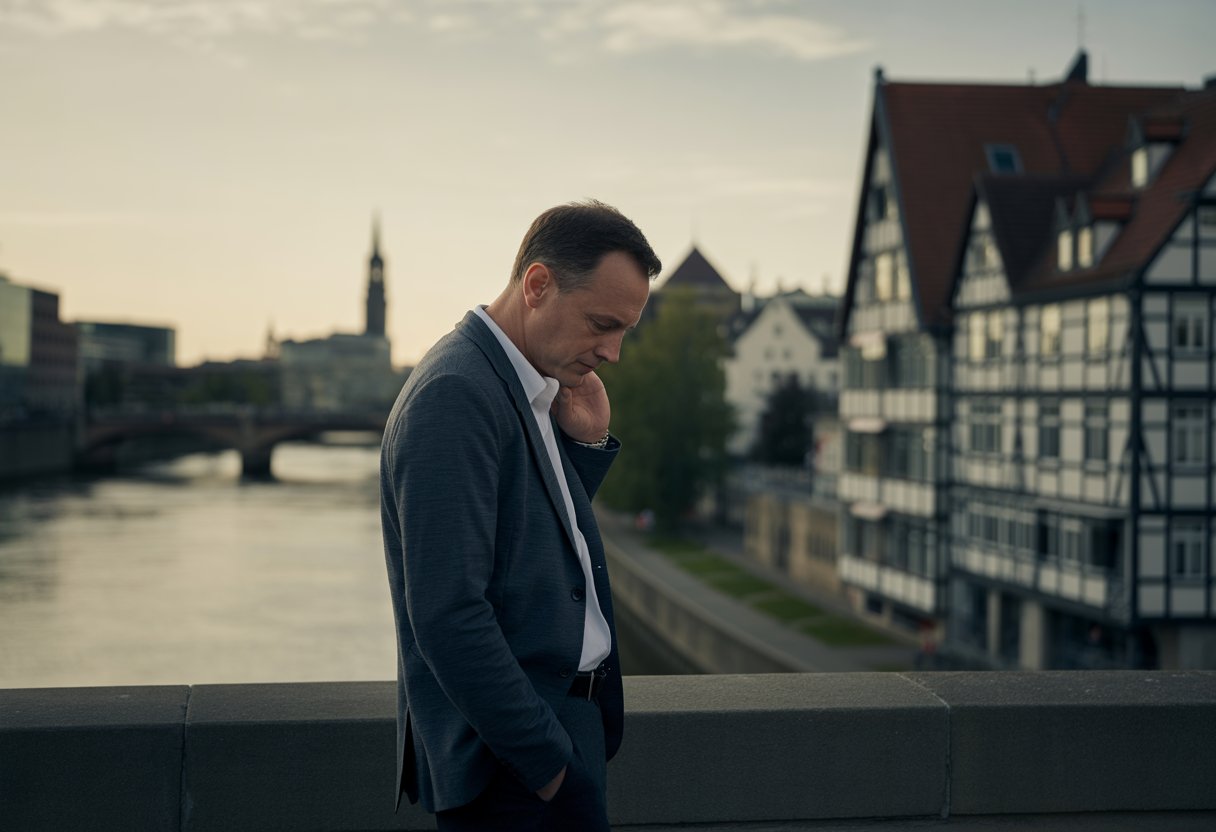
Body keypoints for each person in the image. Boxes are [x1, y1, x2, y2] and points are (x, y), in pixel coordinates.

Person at [380, 200, 661, 830]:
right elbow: (448, 616)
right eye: (601, 323)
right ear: (537, 285)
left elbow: (528, 547)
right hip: (513, 759)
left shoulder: (520, 382)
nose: (613, 352)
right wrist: (550, 769)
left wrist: (582, 447)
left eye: (624, 331)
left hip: (540, 738)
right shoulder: (456, 394)